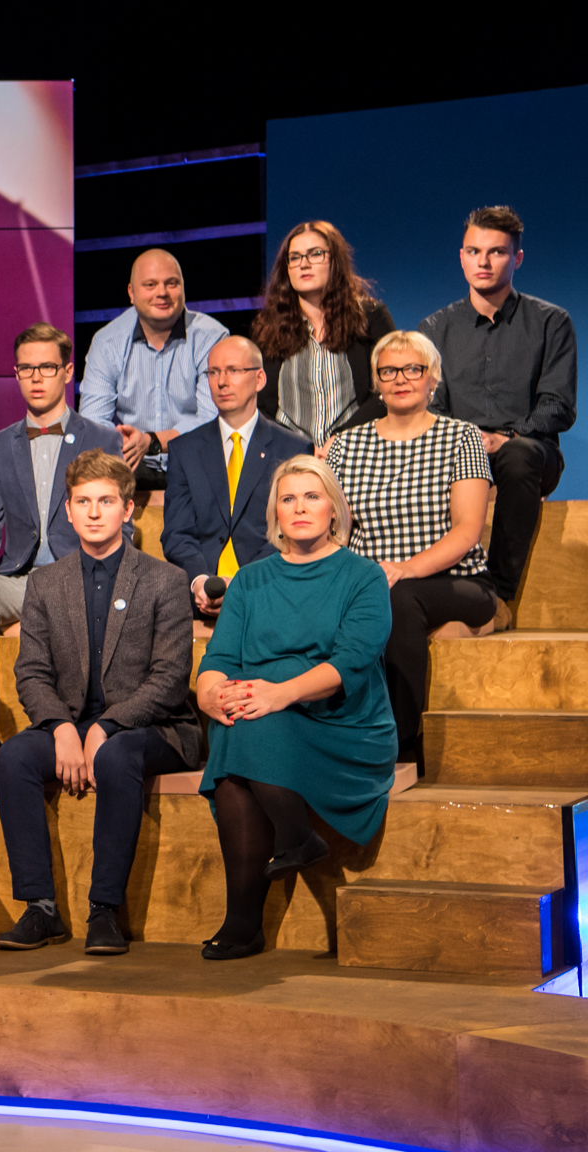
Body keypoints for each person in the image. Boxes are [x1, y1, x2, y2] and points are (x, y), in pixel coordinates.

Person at [0, 449, 202, 955]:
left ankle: (104, 910)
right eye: (83, 501)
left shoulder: (165, 580)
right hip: (72, 723)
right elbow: (32, 673)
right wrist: (62, 728)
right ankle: (40, 908)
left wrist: (105, 727)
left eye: (105, 501)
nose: (93, 512)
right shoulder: (46, 583)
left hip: (154, 728)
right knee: (15, 756)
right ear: (67, 510)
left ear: (127, 509)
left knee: (116, 753)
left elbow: (170, 679)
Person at [194, 456, 395, 959]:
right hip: (265, 712)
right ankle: (290, 846)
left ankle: (248, 915)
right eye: (288, 499)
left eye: (312, 496)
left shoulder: (364, 577)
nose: (300, 508)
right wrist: (210, 693)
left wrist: (276, 693)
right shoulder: (249, 580)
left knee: (248, 724)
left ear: (334, 510)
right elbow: (219, 658)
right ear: (276, 514)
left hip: (341, 720)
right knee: (238, 727)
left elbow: (349, 663)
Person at [326, 331, 496, 765]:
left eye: (413, 369)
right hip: (371, 581)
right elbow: (337, 528)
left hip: (455, 581)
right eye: (389, 371)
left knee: (398, 598)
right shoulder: (346, 444)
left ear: (432, 378)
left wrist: (404, 568)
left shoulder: (461, 437)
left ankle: (400, 744)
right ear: (376, 382)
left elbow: (467, 531)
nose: (400, 378)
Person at [419, 205, 578, 610]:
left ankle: (499, 597)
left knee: (518, 455)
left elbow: (558, 404)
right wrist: (470, 441)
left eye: (497, 252)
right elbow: (432, 407)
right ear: (461, 257)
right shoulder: (434, 329)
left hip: (530, 452)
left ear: (517, 258)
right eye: (474, 251)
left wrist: (506, 437)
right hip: (458, 453)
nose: (484, 262)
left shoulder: (551, 322)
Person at [0, 322, 122, 629]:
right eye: (27, 368)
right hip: (20, 581)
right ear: (17, 374)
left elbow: (117, 524)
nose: (36, 378)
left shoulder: (102, 440)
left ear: (67, 372)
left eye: (47, 367)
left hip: (82, 579)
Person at [162, 336, 311, 618]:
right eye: (213, 372)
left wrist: (243, 583)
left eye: (233, 370)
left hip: (269, 590)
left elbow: (290, 531)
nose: (221, 382)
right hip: (199, 596)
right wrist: (200, 581)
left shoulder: (293, 449)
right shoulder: (184, 450)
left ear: (259, 379)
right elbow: (177, 533)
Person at [78, 249, 228, 487]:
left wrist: (152, 441)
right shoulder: (107, 342)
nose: (162, 293)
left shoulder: (211, 337)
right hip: (131, 466)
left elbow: (213, 420)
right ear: (131, 292)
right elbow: (93, 420)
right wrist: (123, 443)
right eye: (150, 285)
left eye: (172, 283)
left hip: (198, 466)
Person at [250, 221, 396, 449]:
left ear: (335, 261)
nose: (304, 264)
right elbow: (258, 404)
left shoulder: (371, 317)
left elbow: (388, 389)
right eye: (295, 257)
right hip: (288, 454)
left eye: (315, 254)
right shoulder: (267, 327)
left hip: (356, 448)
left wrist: (341, 440)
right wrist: (298, 446)